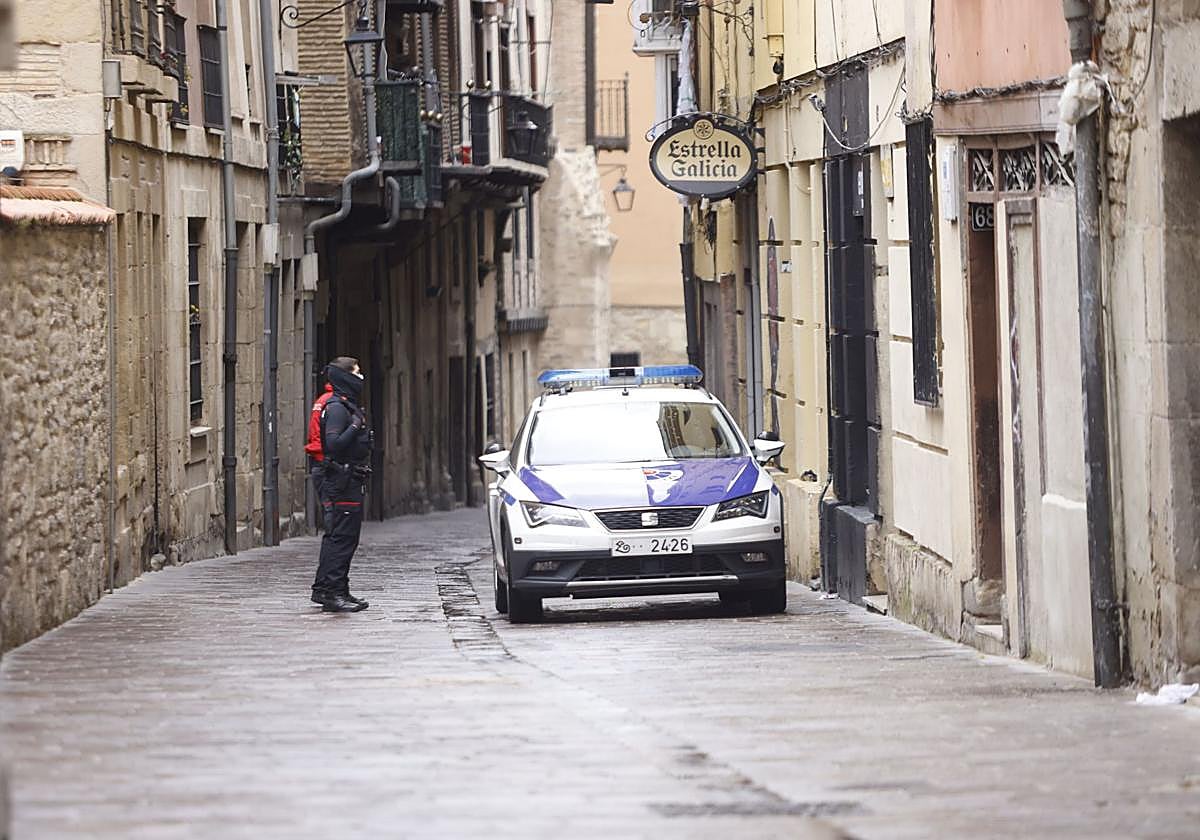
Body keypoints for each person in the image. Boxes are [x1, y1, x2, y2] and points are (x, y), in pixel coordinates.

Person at [311, 356, 373, 613]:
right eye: (356, 372)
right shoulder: (337, 408)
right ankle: (332, 593)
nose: (360, 377)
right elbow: (334, 443)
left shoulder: (343, 405)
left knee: (342, 536)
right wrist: (356, 425)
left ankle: (332, 588)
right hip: (339, 479)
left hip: (345, 478)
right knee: (341, 537)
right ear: (344, 376)